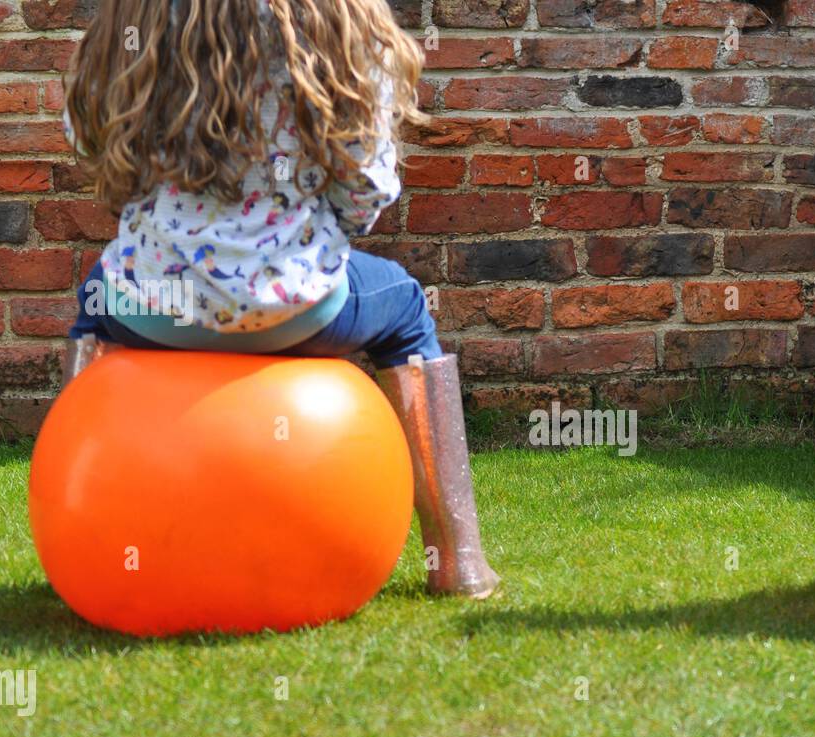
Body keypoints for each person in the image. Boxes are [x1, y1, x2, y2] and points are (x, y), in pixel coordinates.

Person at [62, 0, 498, 598]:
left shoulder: (137, 17)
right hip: (299, 310)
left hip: (149, 307)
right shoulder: (335, 18)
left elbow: (88, 140)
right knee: (406, 308)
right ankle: (456, 562)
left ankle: (86, 540)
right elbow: (367, 186)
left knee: (96, 294)